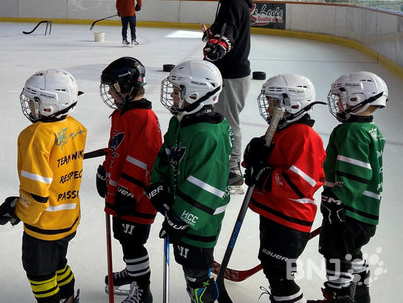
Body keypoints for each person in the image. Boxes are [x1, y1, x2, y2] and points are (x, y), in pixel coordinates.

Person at [0, 69, 87, 303]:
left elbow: (36, 192)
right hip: (69, 217)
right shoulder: (76, 126)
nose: (29, 105)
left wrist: (17, 210)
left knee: (39, 272)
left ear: (49, 105)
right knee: (59, 263)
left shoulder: (36, 135)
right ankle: (68, 299)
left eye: (34, 101)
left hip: (44, 224)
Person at [145, 59, 231, 303]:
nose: (171, 96)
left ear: (196, 94)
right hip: (180, 211)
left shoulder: (208, 134)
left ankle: (203, 296)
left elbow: (207, 184)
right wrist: (158, 186)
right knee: (187, 265)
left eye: (176, 92)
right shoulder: (180, 122)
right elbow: (166, 156)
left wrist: (180, 216)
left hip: (201, 221)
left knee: (196, 273)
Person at [242, 74, 326, 303]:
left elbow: (301, 184)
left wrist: (264, 175)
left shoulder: (304, 136)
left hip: (290, 220)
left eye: (273, 102)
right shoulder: (282, 129)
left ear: (293, 104)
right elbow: (265, 164)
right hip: (275, 214)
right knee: (273, 268)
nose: (268, 107)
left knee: (280, 274)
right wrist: (253, 159)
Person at [309, 72, 387, 303]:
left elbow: (357, 173)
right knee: (350, 252)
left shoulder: (351, 131)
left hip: (348, 211)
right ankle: (360, 287)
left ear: (357, 99)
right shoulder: (371, 130)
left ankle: (339, 295)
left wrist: (336, 200)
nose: (339, 103)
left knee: (335, 253)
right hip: (364, 214)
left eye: (343, 98)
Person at [96, 57, 162, 303]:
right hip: (123, 194)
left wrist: (129, 191)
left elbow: (146, 159)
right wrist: (106, 170)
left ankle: (142, 289)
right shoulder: (122, 114)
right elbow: (117, 148)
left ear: (125, 86)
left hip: (138, 199)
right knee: (123, 237)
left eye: (113, 87)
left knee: (134, 243)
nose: (110, 93)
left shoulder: (143, 118)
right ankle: (133, 271)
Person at [199, 0, 254, 190]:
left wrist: (221, 43)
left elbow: (230, 28)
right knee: (221, 118)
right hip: (228, 72)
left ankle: (232, 171)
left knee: (229, 121)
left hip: (232, 74)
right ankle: (223, 162)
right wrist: (212, 35)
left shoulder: (233, 2)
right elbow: (225, 27)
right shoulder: (232, 1)